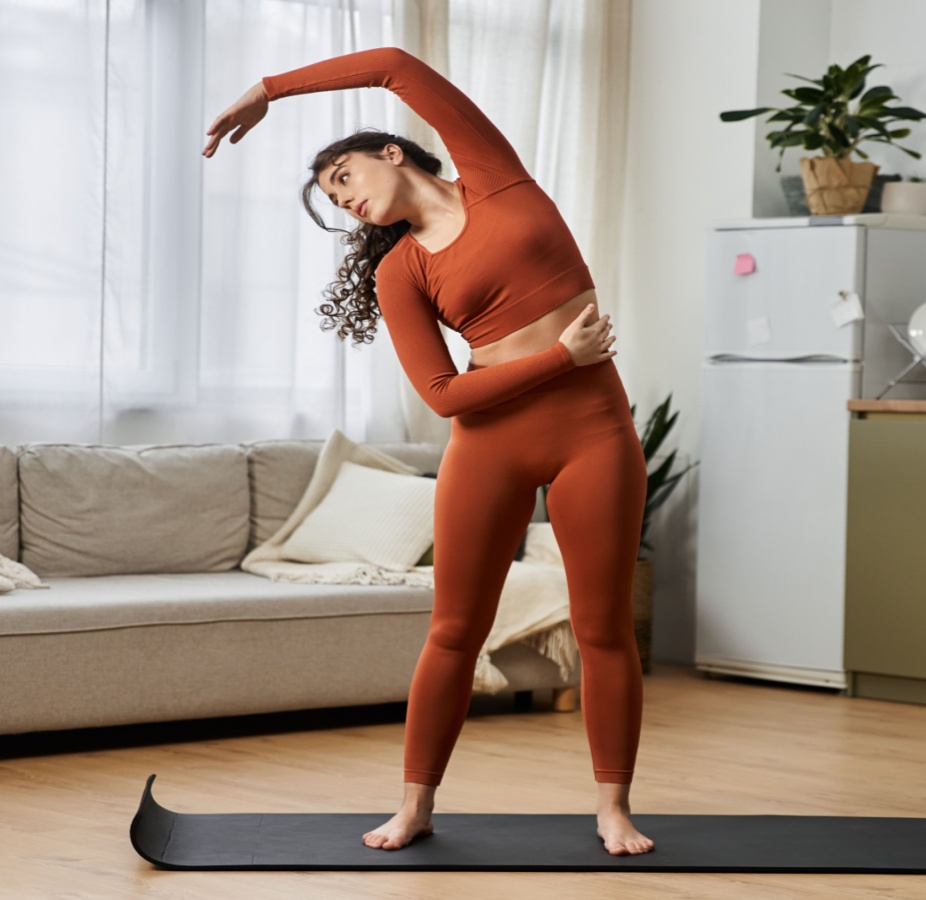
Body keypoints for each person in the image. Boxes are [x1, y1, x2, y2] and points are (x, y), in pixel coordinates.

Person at [203, 46, 653, 857]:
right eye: (334, 200)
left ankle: (612, 808)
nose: (346, 200)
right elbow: (442, 395)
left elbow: (394, 65)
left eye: (343, 177)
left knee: (605, 627)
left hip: (594, 430)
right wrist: (560, 359)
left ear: (391, 151)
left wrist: (265, 90)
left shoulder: (496, 174)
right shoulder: (400, 272)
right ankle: (414, 806)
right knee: (453, 630)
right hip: (490, 443)